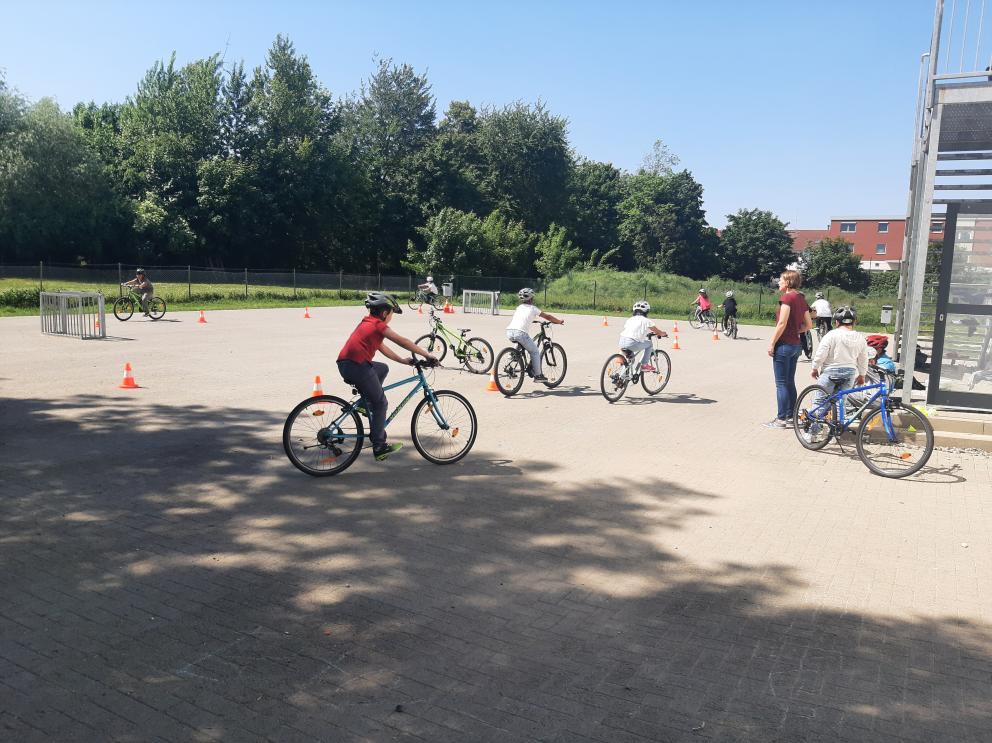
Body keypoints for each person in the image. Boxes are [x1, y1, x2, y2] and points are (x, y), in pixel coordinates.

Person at [337, 292, 437, 461]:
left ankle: (364, 403)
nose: (391, 317)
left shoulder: (367, 323)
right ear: (385, 313)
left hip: (347, 364)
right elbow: (402, 341)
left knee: (382, 368)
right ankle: (379, 446)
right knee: (381, 403)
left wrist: (403, 361)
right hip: (358, 366)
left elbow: (382, 347)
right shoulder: (378, 325)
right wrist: (427, 355)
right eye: (391, 313)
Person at [765, 270, 813, 429]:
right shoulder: (801, 298)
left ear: (788, 282)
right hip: (796, 345)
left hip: (784, 345)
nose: (778, 282)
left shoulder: (787, 297)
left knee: (781, 384)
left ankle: (781, 420)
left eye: (781, 280)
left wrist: (772, 342)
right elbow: (809, 325)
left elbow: (782, 323)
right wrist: (795, 332)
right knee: (789, 381)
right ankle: (792, 416)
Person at [506, 287, 563, 383]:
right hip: (520, 333)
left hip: (509, 331)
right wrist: (558, 321)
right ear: (531, 299)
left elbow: (522, 318)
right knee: (535, 352)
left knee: (521, 341)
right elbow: (547, 317)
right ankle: (538, 376)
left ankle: (512, 356)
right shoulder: (533, 309)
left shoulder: (519, 307)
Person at [810, 306, 868, 399]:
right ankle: (840, 413)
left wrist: (815, 368)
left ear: (837, 322)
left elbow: (821, 353)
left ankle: (819, 413)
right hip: (849, 373)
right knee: (841, 402)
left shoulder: (831, 335)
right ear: (854, 322)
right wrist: (862, 374)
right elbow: (863, 358)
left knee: (820, 400)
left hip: (830, 371)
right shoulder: (860, 337)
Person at [619, 301, 668, 371]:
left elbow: (633, 330)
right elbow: (657, 331)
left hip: (621, 342)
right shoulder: (646, 321)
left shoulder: (630, 319)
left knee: (631, 360)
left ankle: (622, 377)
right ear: (646, 311)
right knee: (649, 344)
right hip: (631, 343)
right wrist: (663, 334)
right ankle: (644, 365)